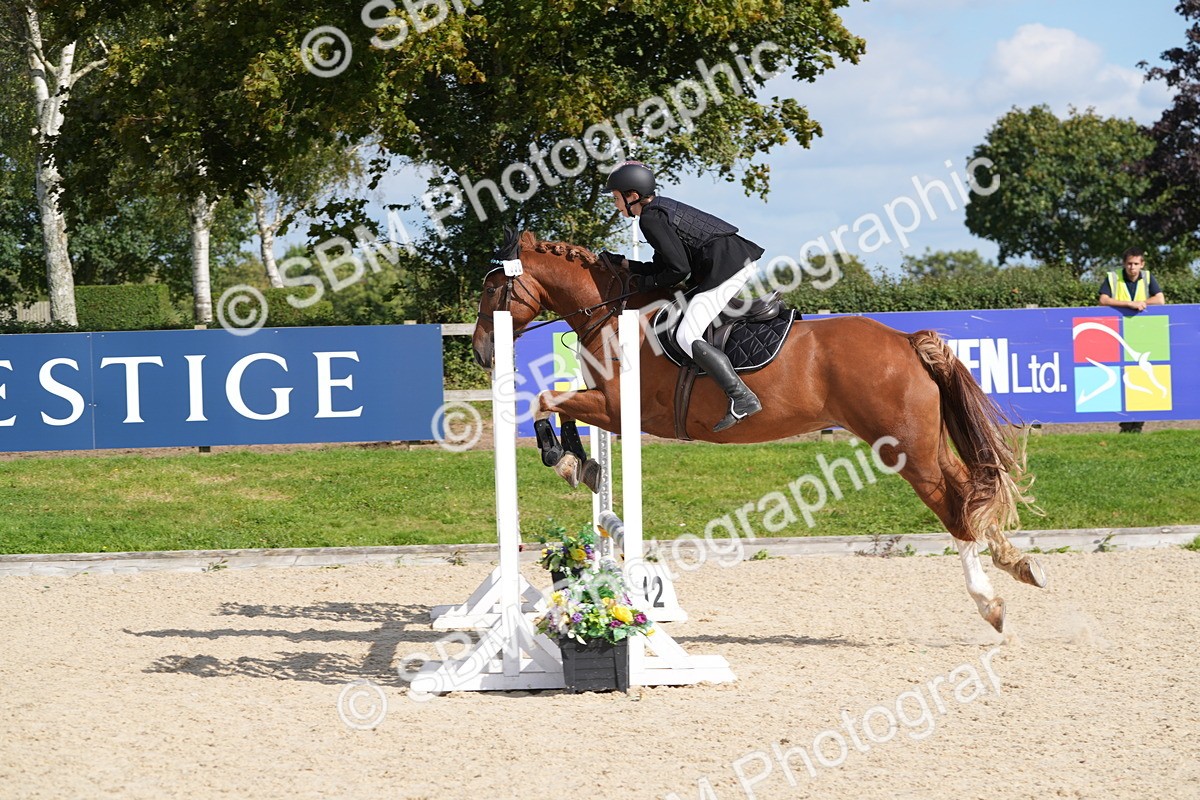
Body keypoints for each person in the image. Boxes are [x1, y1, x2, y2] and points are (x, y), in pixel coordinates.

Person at [605, 160, 766, 432]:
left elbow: (678, 270)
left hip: (726, 266)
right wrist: (625, 265)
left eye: (616, 198)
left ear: (632, 196)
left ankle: (742, 397)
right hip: (729, 261)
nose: (616, 204)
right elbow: (665, 265)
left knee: (686, 336)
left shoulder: (650, 218)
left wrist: (644, 284)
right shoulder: (657, 211)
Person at [1098, 246, 1166, 433]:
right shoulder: (1113, 277)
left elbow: (1160, 299)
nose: (1132, 267)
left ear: (1142, 264)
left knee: (1141, 377)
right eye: (1129, 263)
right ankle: (1126, 423)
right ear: (1124, 264)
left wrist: (1143, 303)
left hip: (1142, 334)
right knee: (1122, 378)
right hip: (1118, 334)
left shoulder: (1148, 278)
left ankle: (1138, 424)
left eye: (1136, 264)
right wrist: (1128, 304)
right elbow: (1103, 300)